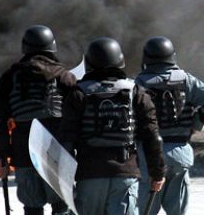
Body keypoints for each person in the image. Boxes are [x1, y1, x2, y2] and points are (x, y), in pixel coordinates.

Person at [60, 37, 165, 215]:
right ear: (119, 60)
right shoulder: (137, 92)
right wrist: (158, 172)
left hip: (89, 176)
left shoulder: (78, 93)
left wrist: (63, 178)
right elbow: (152, 135)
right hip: (125, 175)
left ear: (89, 63)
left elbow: (66, 139)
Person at [0, 25, 76, 215]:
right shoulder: (64, 76)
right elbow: (77, 114)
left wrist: (2, 156)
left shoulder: (9, 77)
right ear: (52, 47)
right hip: (56, 149)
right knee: (62, 207)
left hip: (23, 149)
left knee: (31, 207)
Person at [134, 36, 204, 215]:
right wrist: (195, 124)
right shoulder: (187, 81)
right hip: (181, 154)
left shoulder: (138, 84)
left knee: (145, 211)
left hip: (149, 157)